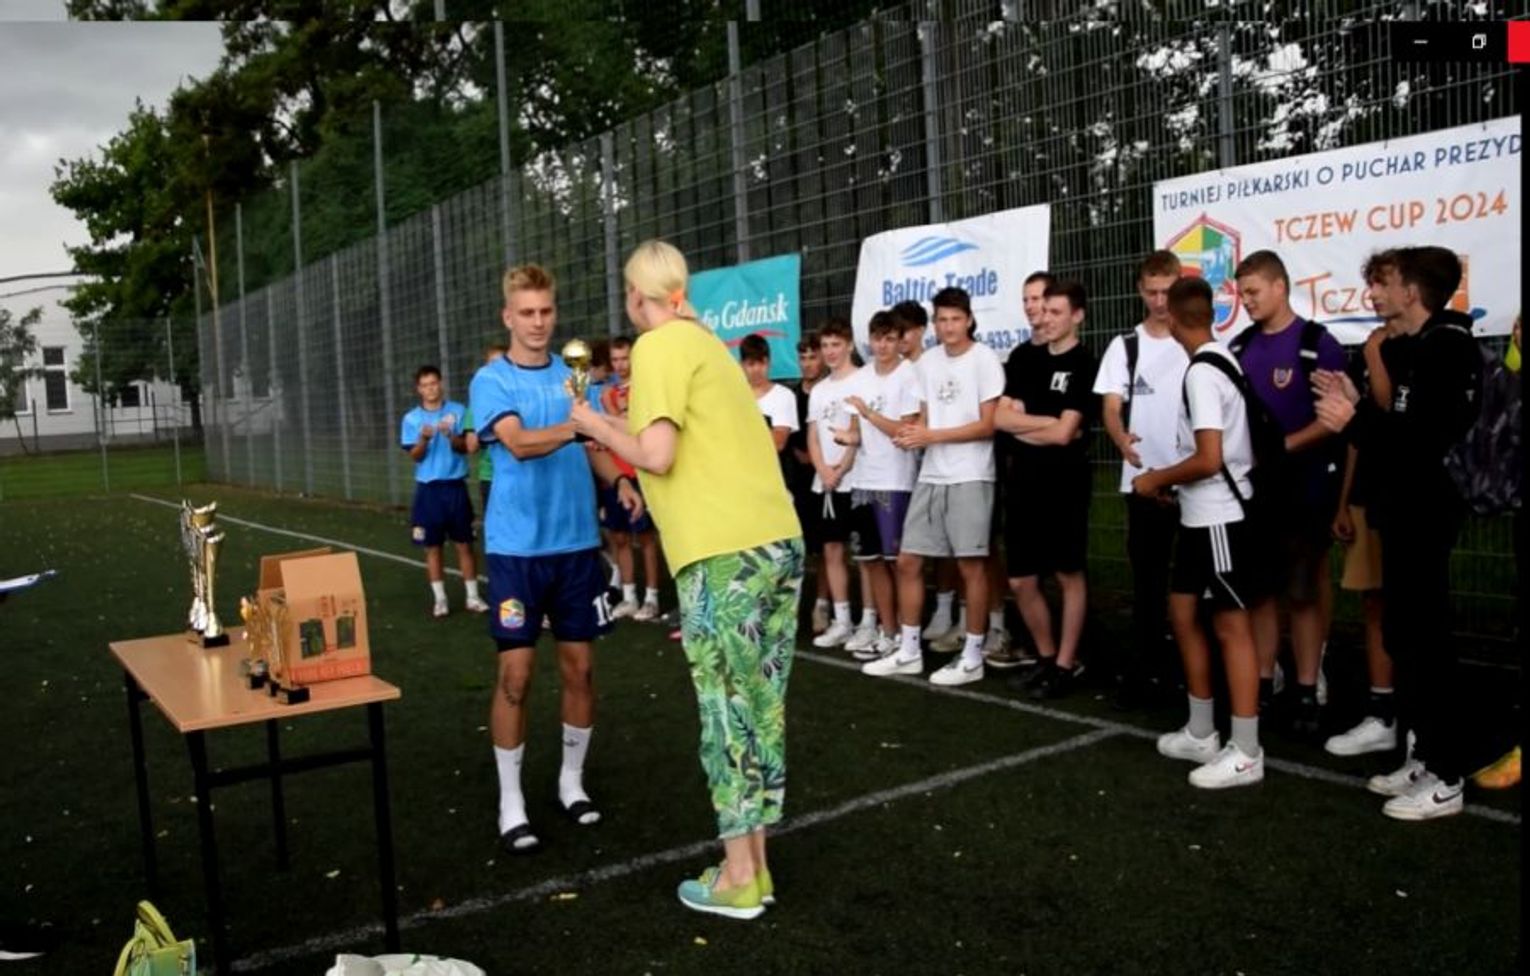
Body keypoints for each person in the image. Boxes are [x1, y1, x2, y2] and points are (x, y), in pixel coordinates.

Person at [569, 239, 803, 921]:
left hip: (722, 553)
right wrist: (607, 424)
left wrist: (590, 422)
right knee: (759, 707)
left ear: (635, 295)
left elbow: (657, 455)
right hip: (775, 542)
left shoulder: (660, 346)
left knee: (725, 710)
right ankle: (754, 866)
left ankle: (739, 878)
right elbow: (672, 437)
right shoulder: (706, 345)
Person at [469, 263, 642, 854]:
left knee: (581, 671)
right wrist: (578, 425)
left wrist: (620, 478)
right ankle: (510, 801)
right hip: (517, 551)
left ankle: (571, 782)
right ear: (508, 317)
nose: (538, 322)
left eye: (545, 311)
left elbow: (591, 445)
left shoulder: (575, 380)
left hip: (576, 548)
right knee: (515, 676)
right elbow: (519, 442)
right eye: (527, 313)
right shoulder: (491, 380)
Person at [1312, 246, 1485, 820]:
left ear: (1411, 290)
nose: (1373, 294)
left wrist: (1354, 419)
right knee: (1405, 635)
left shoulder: (1448, 347)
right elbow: (1396, 427)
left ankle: (1447, 775)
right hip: (1400, 512)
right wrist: (1356, 404)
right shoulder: (1411, 347)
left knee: (1427, 640)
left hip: (1427, 514)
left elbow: (1420, 444)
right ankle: (1424, 755)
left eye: (1383, 283)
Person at [1134, 276, 1266, 789]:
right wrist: (1174, 486)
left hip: (1220, 518)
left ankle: (1247, 749)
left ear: (1171, 318)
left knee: (1231, 625)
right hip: (1198, 514)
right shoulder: (1217, 360)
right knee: (1184, 611)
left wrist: (1156, 479)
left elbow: (1210, 458)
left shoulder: (1203, 372)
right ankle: (1201, 729)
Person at [863, 286, 1004, 687]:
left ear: (969, 320)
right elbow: (925, 419)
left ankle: (973, 657)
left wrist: (931, 436)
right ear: (934, 324)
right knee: (908, 561)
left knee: (970, 566)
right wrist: (912, 434)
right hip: (931, 474)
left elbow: (987, 425)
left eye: (956, 319)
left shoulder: (985, 359)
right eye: (942, 320)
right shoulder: (927, 364)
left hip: (971, 475)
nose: (949, 327)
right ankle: (908, 651)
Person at [1230, 250, 1347, 735]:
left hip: (1306, 486)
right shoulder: (1239, 347)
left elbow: (1335, 419)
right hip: (1256, 490)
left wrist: (1281, 448)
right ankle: (1263, 678)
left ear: (1280, 287)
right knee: (1258, 590)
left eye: (1254, 291)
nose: (1247, 301)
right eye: (1242, 293)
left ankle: (1306, 687)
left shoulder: (1318, 344)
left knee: (1302, 590)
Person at [1094, 251, 1188, 707]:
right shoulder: (1124, 346)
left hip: (1194, 480)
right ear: (1140, 291)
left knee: (1196, 585)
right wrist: (1119, 438)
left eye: (1167, 291)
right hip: (1143, 480)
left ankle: (1195, 673)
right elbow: (1111, 406)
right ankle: (1146, 670)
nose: (1160, 301)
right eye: (1152, 292)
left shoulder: (1198, 342)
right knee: (1148, 582)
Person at [997, 280, 1098, 700]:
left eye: (1056, 312)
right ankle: (1045, 655)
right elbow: (1001, 419)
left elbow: (1065, 434)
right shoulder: (1024, 357)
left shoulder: (1085, 363)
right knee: (1021, 579)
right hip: (1023, 481)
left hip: (1065, 482)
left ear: (1077, 316)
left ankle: (1065, 664)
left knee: (1068, 573)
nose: (1046, 317)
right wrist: (1047, 423)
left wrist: (1031, 424)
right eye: (1044, 310)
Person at [1323, 251, 1404, 757]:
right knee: (1373, 601)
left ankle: (1414, 720)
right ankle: (1382, 711)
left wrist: (1375, 355)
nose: (1372, 294)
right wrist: (1344, 501)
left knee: (1409, 607)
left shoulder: (1422, 347)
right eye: (1370, 284)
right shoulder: (1370, 346)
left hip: (1411, 501)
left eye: (1382, 283)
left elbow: (1387, 407)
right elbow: (1356, 432)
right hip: (1368, 495)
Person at [839, 310, 921, 660]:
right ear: (869, 340)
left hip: (896, 481)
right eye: (877, 338)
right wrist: (846, 438)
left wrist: (869, 415)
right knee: (872, 562)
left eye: (890, 338)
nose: (883, 345)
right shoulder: (860, 378)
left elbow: (906, 430)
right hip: (863, 481)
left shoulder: (909, 374)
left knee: (897, 563)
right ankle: (887, 633)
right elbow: (857, 432)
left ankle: (906, 634)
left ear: (900, 341)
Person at [401, 365, 488, 618]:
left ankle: (473, 597)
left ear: (441, 384)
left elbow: (465, 448)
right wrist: (423, 439)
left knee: (465, 544)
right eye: (425, 385)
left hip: (455, 487)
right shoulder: (412, 418)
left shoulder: (458, 411)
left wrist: (451, 435)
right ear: (419, 389)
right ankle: (440, 599)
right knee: (432, 546)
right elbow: (415, 456)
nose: (430, 389)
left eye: (434, 383)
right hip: (429, 491)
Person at [805, 318, 863, 649]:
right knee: (831, 549)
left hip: (856, 481)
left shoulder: (862, 380)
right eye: (825, 345)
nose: (830, 352)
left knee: (866, 557)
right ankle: (842, 621)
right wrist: (824, 471)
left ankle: (871, 622)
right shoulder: (820, 389)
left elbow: (857, 432)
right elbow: (813, 435)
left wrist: (840, 470)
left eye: (836, 345)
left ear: (849, 345)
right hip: (825, 483)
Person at [600, 336, 663, 622]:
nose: (620, 365)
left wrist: (623, 410)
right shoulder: (608, 394)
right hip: (616, 473)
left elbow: (639, 429)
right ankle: (629, 596)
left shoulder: (645, 390)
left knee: (646, 536)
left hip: (640, 472)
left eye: (624, 358)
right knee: (619, 536)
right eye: (615, 360)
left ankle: (652, 597)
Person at [791, 333, 833, 634]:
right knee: (796, 549)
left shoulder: (831, 392)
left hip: (825, 480)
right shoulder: (790, 396)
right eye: (803, 358)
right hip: (796, 484)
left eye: (812, 357)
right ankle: (790, 606)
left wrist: (818, 459)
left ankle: (822, 604)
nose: (807, 364)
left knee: (826, 548)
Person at [464, 340, 510, 512]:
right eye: (492, 365)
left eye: (501, 364)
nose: (496, 370)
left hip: (522, 474)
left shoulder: (521, 397)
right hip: (490, 476)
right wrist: (492, 428)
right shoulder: (477, 402)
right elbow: (471, 446)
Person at [740, 332, 800, 458]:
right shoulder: (733, 396)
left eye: (762, 363)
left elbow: (778, 443)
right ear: (742, 365)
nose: (757, 369)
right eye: (751, 364)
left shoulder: (784, 396)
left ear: (769, 363)